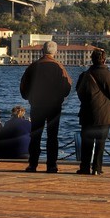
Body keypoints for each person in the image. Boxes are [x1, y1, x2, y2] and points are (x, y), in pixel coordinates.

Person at [20, 41, 73, 173]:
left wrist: (30, 98)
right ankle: (52, 165)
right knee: (52, 136)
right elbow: (67, 87)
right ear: (55, 52)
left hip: (37, 106)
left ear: (42, 51)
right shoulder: (59, 67)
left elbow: (23, 87)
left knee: (35, 136)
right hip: (54, 107)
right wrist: (60, 98)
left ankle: (33, 165)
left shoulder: (33, 67)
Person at [74, 48, 110, 175]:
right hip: (105, 114)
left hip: (87, 112)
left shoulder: (84, 75)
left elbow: (79, 92)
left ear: (92, 59)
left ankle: (84, 167)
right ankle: (97, 168)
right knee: (101, 143)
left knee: (87, 143)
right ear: (104, 60)